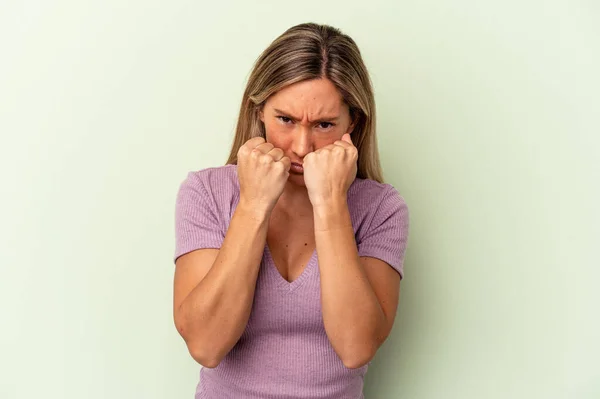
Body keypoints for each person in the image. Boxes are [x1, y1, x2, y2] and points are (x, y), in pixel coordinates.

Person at [172, 22, 410, 399]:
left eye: (324, 124)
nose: (302, 145)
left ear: (354, 124)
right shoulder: (206, 193)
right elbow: (205, 345)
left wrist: (331, 205)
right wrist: (252, 206)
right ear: (260, 111)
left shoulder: (381, 208)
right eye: (286, 120)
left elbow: (356, 348)